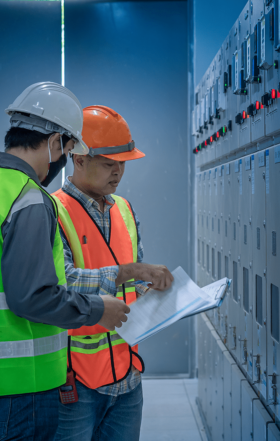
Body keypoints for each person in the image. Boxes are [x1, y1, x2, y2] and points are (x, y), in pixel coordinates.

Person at [0, 83, 131, 441]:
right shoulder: (28, 198)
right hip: (17, 387)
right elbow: (32, 297)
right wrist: (98, 310)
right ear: (55, 143)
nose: (63, 158)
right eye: (67, 147)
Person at [52, 105, 174, 441]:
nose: (118, 172)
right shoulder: (54, 211)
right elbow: (62, 283)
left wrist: (155, 290)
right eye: (109, 163)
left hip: (127, 376)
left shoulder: (124, 210)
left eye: (123, 163)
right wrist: (130, 271)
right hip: (75, 383)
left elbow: (134, 283)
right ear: (78, 159)